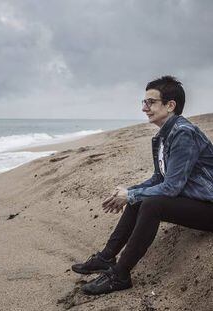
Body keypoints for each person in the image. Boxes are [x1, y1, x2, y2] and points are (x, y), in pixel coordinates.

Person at [71, 76, 213, 295]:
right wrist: (128, 192)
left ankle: (120, 275)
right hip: (195, 202)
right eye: (144, 102)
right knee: (140, 198)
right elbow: (159, 178)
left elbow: (171, 188)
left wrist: (131, 195)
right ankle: (105, 258)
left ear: (170, 105)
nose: (144, 108)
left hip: (208, 207)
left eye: (150, 102)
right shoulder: (162, 137)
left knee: (150, 204)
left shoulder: (184, 133)